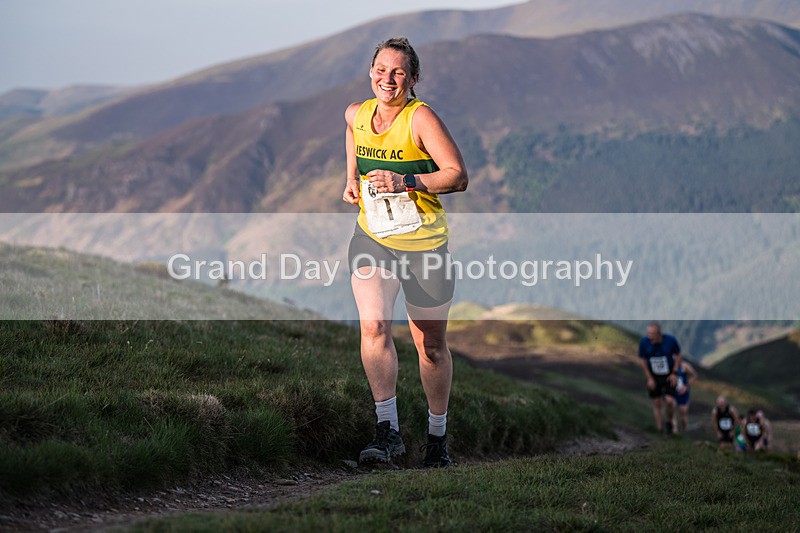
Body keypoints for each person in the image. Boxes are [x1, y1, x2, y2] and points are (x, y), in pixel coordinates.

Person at [342, 37, 468, 467]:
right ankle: (388, 432)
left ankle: (437, 440)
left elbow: (457, 175)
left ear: (413, 78)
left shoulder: (421, 118)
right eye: (381, 69)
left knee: (430, 346)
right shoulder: (358, 113)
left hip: (424, 245)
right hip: (372, 237)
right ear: (370, 71)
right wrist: (351, 180)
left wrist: (407, 182)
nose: (387, 79)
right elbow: (351, 132)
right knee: (374, 327)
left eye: (398, 72)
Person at [637, 322, 683, 434]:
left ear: (660, 334)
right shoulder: (644, 343)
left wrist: (675, 372)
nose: (650, 336)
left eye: (652, 334)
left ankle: (669, 422)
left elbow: (678, 354)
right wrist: (649, 378)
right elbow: (642, 359)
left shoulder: (670, 340)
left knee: (670, 401)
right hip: (654, 376)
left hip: (669, 375)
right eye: (648, 333)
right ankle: (659, 428)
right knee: (657, 402)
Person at [671, 358, 697, 433]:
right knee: (672, 409)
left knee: (683, 413)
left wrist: (686, 386)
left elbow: (694, 375)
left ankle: (684, 429)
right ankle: (674, 431)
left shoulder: (684, 366)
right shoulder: (668, 365)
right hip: (672, 392)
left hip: (683, 392)